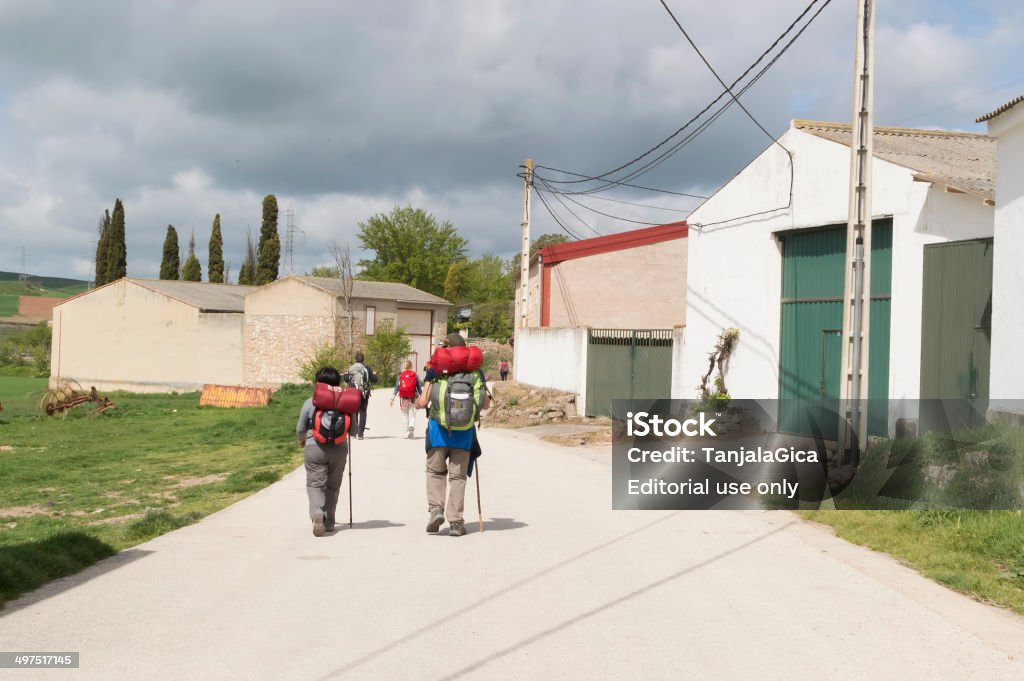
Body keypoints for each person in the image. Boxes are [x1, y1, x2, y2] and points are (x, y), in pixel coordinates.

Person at [415, 332, 490, 537]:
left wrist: (417, 403)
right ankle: (456, 522)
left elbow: (422, 402)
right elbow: (485, 404)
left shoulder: (436, 371)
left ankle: (436, 510)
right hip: (464, 434)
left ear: (447, 349)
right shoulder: (476, 373)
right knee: (457, 478)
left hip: (438, 432)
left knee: (435, 472)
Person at [296, 366, 349, 537]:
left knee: (315, 484)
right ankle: (330, 522)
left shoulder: (310, 401)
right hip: (339, 450)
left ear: (317, 383)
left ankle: (318, 512)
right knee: (333, 487)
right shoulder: (345, 401)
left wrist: (302, 440)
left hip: (315, 447)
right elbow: (354, 430)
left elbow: (300, 428)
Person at [346, 352, 377, 440]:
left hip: (353, 392)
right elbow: (374, 380)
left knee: (354, 411)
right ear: (363, 360)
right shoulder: (367, 368)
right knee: (363, 412)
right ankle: (360, 434)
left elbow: (346, 379)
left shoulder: (351, 368)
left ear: (356, 359)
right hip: (364, 392)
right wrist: (374, 374)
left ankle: (353, 432)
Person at [391, 360, 422, 438]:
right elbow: (418, 387)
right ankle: (411, 427)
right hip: (413, 397)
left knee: (405, 415)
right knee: (413, 414)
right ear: (411, 366)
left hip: (404, 398)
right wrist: (422, 397)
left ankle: (406, 432)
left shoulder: (401, 375)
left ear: (404, 367)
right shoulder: (415, 375)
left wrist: (392, 398)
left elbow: (397, 387)